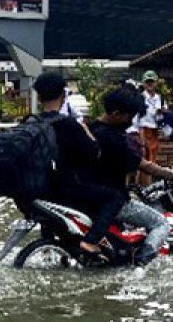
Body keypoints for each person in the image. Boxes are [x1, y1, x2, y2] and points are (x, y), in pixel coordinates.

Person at [34, 72, 125, 266]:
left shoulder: (31, 121)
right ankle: (91, 241)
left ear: (39, 97)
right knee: (115, 197)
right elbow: (93, 153)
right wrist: (86, 131)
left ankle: (51, 252)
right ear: (63, 96)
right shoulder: (68, 124)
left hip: (41, 188)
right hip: (69, 189)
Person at [90, 88, 173, 265]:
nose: (130, 122)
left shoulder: (91, 129)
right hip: (114, 201)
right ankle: (142, 261)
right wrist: (171, 173)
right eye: (130, 116)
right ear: (116, 114)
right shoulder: (114, 138)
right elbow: (144, 165)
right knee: (161, 224)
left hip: (91, 197)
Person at [137, 71, 166, 168]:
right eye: (147, 81)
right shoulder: (140, 98)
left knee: (153, 157)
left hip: (155, 131)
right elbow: (137, 119)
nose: (150, 84)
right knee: (143, 158)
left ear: (156, 83)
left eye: (152, 81)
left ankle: (149, 180)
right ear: (143, 83)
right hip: (142, 131)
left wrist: (161, 113)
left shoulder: (160, 99)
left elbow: (163, 117)